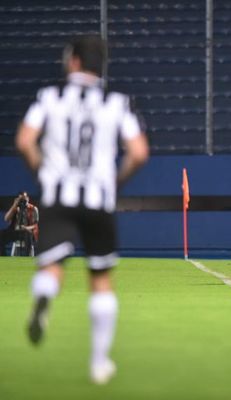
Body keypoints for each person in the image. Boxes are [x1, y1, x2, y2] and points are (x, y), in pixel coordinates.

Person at [15, 35, 149, 384]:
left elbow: (25, 140)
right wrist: (115, 184)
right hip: (97, 198)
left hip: (58, 195)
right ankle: (99, 363)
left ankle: (45, 291)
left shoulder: (50, 96)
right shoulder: (117, 102)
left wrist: (42, 173)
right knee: (100, 278)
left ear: (73, 61)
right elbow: (138, 152)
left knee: (52, 265)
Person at [0, 191, 39, 256]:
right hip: (15, 231)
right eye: (21, 198)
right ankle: (3, 257)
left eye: (25, 197)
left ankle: (27, 257)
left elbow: (35, 225)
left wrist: (26, 228)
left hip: (27, 232)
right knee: (1, 234)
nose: (23, 199)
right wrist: (14, 205)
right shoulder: (15, 208)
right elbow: (6, 219)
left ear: (28, 198)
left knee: (28, 235)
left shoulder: (33, 209)